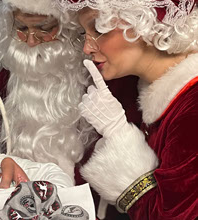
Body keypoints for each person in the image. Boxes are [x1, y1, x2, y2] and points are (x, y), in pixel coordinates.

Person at [56, 0, 198, 219]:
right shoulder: (153, 92)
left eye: (99, 28)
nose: (87, 47)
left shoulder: (192, 107)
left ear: (147, 22)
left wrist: (119, 135)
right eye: (83, 33)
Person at [0, 0, 97, 182]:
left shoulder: (94, 75)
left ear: (68, 27)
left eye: (44, 28)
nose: (30, 40)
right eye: (21, 27)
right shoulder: (8, 74)